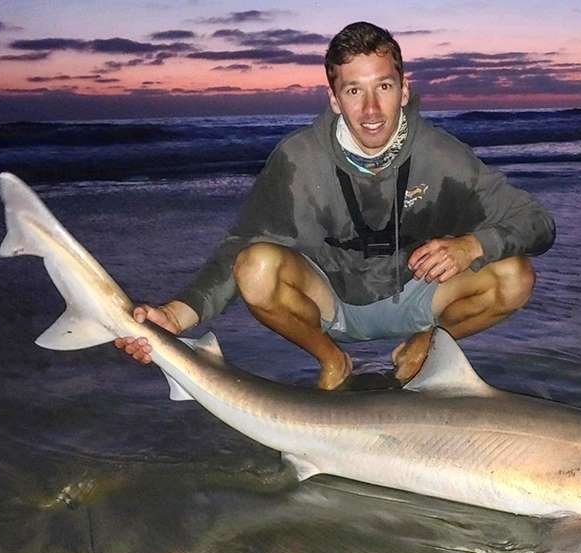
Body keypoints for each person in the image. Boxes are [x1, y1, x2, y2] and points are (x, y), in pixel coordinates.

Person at [115, 21, 555, 390]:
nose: (370, 109)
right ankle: (333, 362)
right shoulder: (299, 159)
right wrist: (176, 314)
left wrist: (470, 246)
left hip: (418, 298)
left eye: (383, 86)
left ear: (404, 89)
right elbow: (241, 245)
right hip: (330, 304)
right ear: (333, 98)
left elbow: (537, 222)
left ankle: (425, 347)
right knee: (255, 266)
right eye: (352, 91)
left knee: (514, 276)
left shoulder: (441, 155)